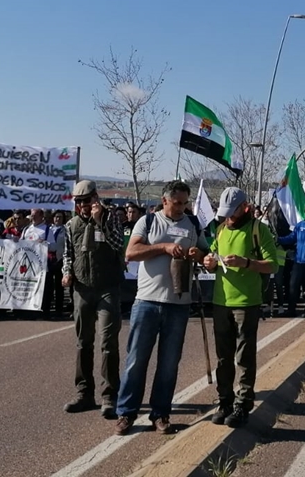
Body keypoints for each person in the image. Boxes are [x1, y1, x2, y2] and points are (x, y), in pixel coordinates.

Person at [114, 181, 208, 435]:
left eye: (185, 203)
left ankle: (160, 413)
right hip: (146, 301)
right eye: (177, 203)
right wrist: (164, 247)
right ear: (165, 200)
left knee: (169, 364)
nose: (181, 207)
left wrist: (197, 255)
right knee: (136, 361)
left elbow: (205, 254)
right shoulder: (147, 222)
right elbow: (131, 252)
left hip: (178, 305)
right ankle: (126, 412)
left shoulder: (192, 224)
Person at [203, 187, 278, 428]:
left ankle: (243, 403)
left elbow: (272, 265)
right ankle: (224, 400)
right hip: (220, 301)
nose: (229, 217)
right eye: (225, 213)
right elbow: (214, 257)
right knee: (222, 357)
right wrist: (209, 263)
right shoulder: (222, 229)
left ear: (244, 207)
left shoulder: (258, 229)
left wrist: (245, 262)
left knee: (244, 356)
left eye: (232, 212)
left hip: (246, 303)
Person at [62, 180, 127, 419]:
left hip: (108, 287)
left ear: (95, 198)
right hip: (82, 288)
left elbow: (118, 244)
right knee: (83, 342)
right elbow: (69, 253)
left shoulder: (111, 219)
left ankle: (110, 395)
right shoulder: (71, 225)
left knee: (108, 342)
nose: (83, 206)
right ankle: (84, 393)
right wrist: (67, 272)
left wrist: (100, 221)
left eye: (87, 201)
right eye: (78, 202)